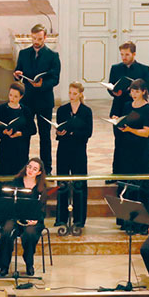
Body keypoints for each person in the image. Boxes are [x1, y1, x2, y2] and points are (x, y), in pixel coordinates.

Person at [14, 24, 61, 173]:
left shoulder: (53, 56)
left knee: (45, 135)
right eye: (34, 38)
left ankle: (46, 167)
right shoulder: (23, 53)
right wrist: (17, 75)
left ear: (45, 38)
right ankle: (23, 165)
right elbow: (18, 72)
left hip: (44, 100)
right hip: (27, 99)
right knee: (25, 134)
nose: (36, 41)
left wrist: (42, 84)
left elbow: (55, 79)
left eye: (39, 39)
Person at [0, 158, 48, 278]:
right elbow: (7, 202)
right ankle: (4, 266)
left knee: (30, 234)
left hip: (33, 220)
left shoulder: (41, 188)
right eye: (29, 167)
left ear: (39, 172)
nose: (30, 170)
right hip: (14, 217)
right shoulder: (15, 182)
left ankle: (29, 264)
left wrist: (36, 220)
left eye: (35, 169)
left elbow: (42, 210)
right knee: (7, 231)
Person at [108, 43, 149, 175]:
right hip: (119, 108)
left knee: (132, 140)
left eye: (127, 54)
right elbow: (111, 87)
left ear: (134, 54)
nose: (124, 57)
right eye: (122, 54)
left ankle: (133, 172)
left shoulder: (143, 69)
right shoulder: (115, 68)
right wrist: (114, 92)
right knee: (119, 141)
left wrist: (134, 89)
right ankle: (116, 173)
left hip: (137, 110)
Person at [54, 82, 93, 231]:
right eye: (70, 93)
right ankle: (61, 218)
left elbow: (88, 133)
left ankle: (79, 219)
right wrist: (59, 133)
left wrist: (72, 133)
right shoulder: (62, 110)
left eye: (74, 94)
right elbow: (59, 129)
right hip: (63, 150)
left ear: (80, 94)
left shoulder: (86, 111)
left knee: (80, 184)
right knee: (62, 183)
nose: (71, 96)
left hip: (79, 151)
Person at [114, 79, 149, 214]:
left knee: (140, 181)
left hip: (141, 148)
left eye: (137, 91)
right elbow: (125, 122)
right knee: (127, 180)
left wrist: (130, 129)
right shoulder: (127, 105)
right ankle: (127, 220)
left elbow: (146, 132)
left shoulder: (148, 109)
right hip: (126, 146)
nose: (134, 94)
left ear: (144, 91)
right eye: (132, 91)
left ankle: (142, 221)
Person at [0, 81, 35, 178]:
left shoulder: (26, 110)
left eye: (15, 96)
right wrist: (4, 131)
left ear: (21, 97)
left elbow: (32, 129)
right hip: (6, 146)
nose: (12, 98)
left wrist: (20, 133)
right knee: (4, 175)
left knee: (18, 175)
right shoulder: (1, 109)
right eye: (10, 95)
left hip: (21, 148)